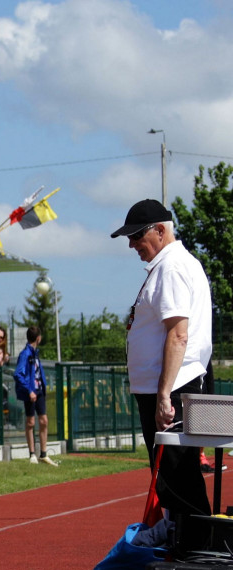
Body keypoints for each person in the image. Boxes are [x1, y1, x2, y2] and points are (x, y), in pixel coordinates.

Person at [111, 198, 212, 516]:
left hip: (172, 386)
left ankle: (192, 546)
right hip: (164, 386)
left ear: (159, 230)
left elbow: (178, 333)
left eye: (137, 236)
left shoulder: (172, 267)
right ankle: (180, 538)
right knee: (171, 475)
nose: (132, 245)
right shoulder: (168, 267)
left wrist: (165, 394)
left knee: (177, 474)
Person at [14, 326, 57, 467]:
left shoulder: (35, 354)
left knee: (44, 420)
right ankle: (32, 454)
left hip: (39, 391)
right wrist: (29, 390)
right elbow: (18, 374)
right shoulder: (25, 354)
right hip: (31, 392)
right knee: (30, 422)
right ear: (38, 338)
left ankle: (44, 454)